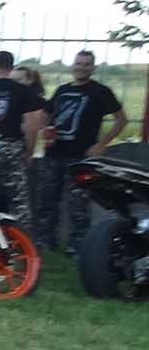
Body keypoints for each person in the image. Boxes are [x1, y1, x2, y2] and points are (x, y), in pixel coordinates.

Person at [35, 50, 128, 254]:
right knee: (46, 199)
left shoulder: (100, 91)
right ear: (73, 65)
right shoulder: (62, 90)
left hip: (80, 157)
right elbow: (46, 114)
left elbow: (121, 120)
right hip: (54, 154)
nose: (81, 68)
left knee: (78, 203)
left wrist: (101, 144)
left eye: (86, 64)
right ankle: (44, 240)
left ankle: (77, 245)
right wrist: (45, 129)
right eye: (78, 63)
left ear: (93, 68)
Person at [0, 50, 45, 231]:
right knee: (18, 199)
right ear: (11, 67)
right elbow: (31, 125)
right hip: (11, 147)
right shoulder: (22, 91)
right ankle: (22, 238)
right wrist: (29, 152)